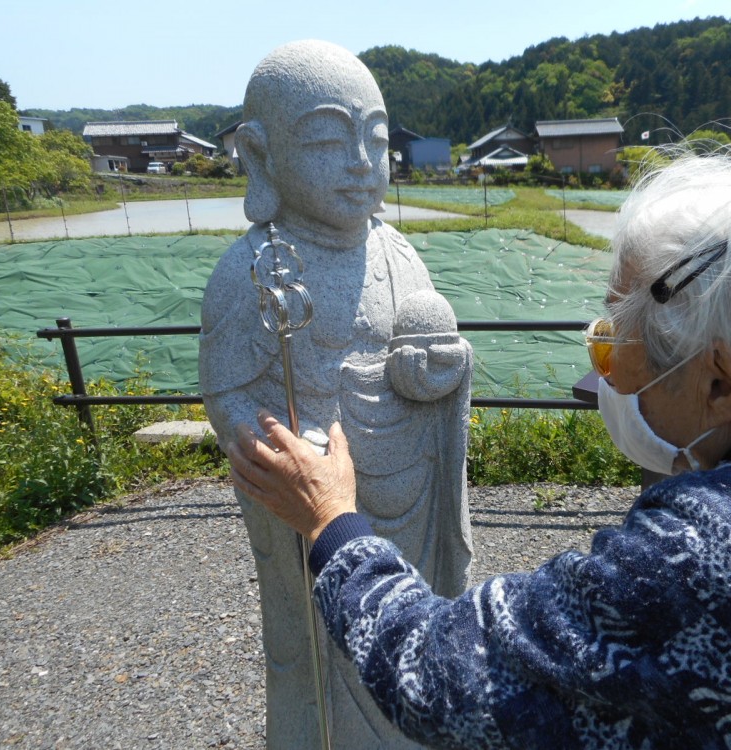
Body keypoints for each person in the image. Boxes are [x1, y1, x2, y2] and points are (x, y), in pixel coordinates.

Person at [227, 140, 731, 748]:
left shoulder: (707, 555)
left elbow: (445, 677)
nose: (604, 375)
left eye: (614, 349)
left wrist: (334, 523)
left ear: (722, 383)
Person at [199, 40, 472, 748]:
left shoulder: (397, 252)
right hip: (311, 505)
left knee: (415, 638)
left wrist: (440, 371)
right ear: (260, 157)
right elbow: (226, 397)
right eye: (327, 139)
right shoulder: (252, 270)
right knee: (324, 663)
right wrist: (282, 450)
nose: (359, 161)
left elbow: (429, 346)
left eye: (375, 140)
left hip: (410, 497)